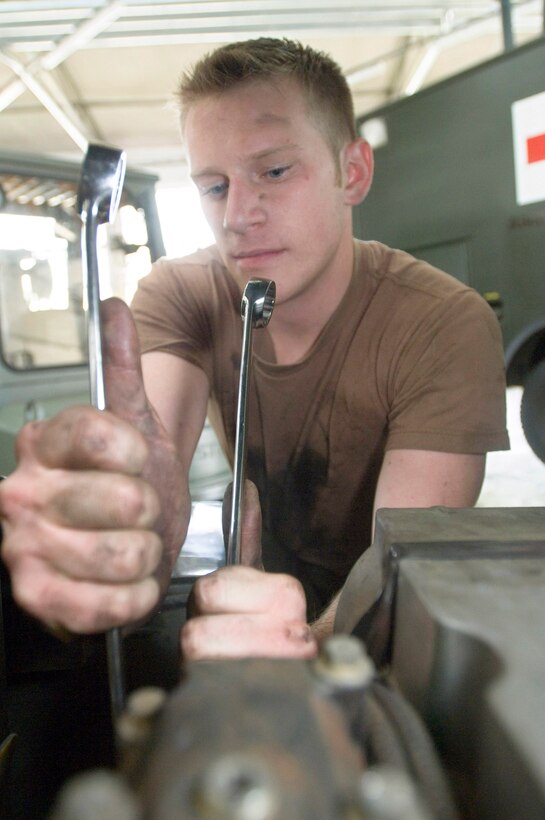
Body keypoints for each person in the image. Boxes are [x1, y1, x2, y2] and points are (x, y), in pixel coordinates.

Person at [0, 38, 509, 663]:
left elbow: (397, 576)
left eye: (273, 171)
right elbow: (152, 479)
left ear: (351, 172)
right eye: (213, 186)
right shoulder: (182, 292)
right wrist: (126, 535)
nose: (238, 216)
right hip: (255, 599)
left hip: (383, 645)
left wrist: (297, 650)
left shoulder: (442, 323)